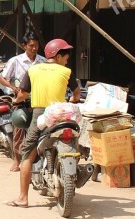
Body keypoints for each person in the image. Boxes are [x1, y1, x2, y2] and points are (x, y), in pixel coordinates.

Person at [7, 38, 80, 209]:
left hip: (41, 114)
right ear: (58, 55)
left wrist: (16, 101)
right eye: (66, 56)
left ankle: (23, 198)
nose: (67, 59)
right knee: (74, 139)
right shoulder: (66, 72)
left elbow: (23, 94)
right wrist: (71, 99)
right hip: (62, 114)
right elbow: (76, 95)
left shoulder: (33, 70)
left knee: (27, 153)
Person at [0, 32, 46, 172]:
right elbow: (2, 78)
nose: (34, 48)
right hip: (21, 98)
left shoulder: (43, 61)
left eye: (36, 46)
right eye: (31, 46)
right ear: (24, 46)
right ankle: (17, 160)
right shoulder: (15, 61)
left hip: (38, 99)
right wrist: (13, 88)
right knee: (18, 129)